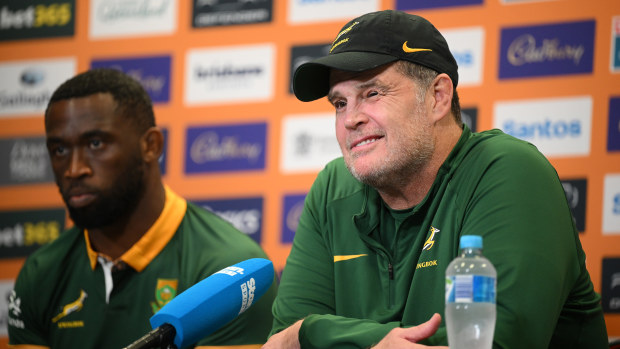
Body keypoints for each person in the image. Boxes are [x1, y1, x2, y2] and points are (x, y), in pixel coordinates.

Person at [263, 10, 608, 349]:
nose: (350, 119)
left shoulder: (508, 170)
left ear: (437, 97)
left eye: (372, 94)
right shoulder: (332, 188)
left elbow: (489, 344)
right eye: (339, 103)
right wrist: (335, 337)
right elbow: (280, 342)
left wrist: (312, 333)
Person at [7, 68, 277, 349]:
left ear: (151, 145)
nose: (74, 169)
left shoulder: (227, 270)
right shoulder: (41, 273)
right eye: (60, 150)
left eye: (96, 144)